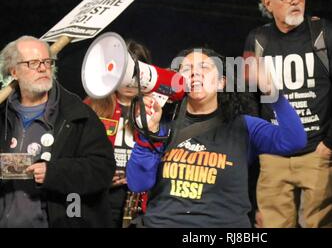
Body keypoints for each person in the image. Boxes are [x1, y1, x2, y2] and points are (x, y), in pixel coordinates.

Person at [126, 47, 307, 227]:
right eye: (187, 69)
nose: (195, 73)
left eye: (204, 67)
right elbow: (138, 184)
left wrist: (271, 92)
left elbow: (294, 141)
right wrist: (148, 132)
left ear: (221, 82)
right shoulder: (163, 125)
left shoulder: (245, 127)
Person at [243, 0, 332, 228]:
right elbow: (248, 98)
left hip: (318, 153)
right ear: (267, 3)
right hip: (274, 157)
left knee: (324, 224)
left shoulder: (325, 34)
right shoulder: (256, 40)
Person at [0, 36, 115, 228]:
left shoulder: (78, 115)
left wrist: (53, 172)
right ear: (14, 71)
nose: (43, 68)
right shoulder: (2, 116)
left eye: (47, 62)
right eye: (33, 63)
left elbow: (102, 169)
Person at [85, 39, 152, 228]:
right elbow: (76, 152)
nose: (130, 82)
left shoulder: (156, 108)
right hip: (99, 195)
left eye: (136, 74)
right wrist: (98, 175)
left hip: (138, 198)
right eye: (124, 74)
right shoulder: (92, 104)